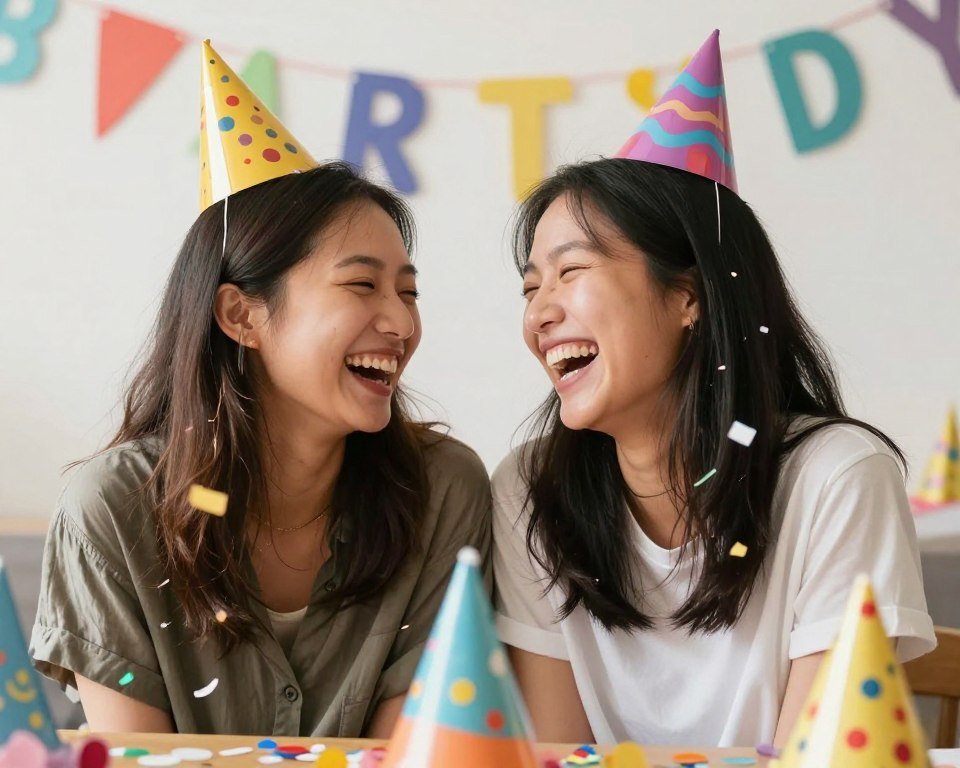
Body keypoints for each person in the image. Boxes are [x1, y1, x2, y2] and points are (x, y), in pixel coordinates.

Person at [31, 42, 490, 738]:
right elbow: (137, 758)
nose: (401, 322)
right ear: (242, 316)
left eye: (409, 291)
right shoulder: (114, 515)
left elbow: (418, 753)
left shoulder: (443, 494)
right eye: (362, 285)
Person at [492, 30, 934, 747]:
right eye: (531, 286)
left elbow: (822, 757)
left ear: (688, 297)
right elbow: (556, 756)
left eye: (571, 273)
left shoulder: (837, 480)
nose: (540, 312)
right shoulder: (530, 488)